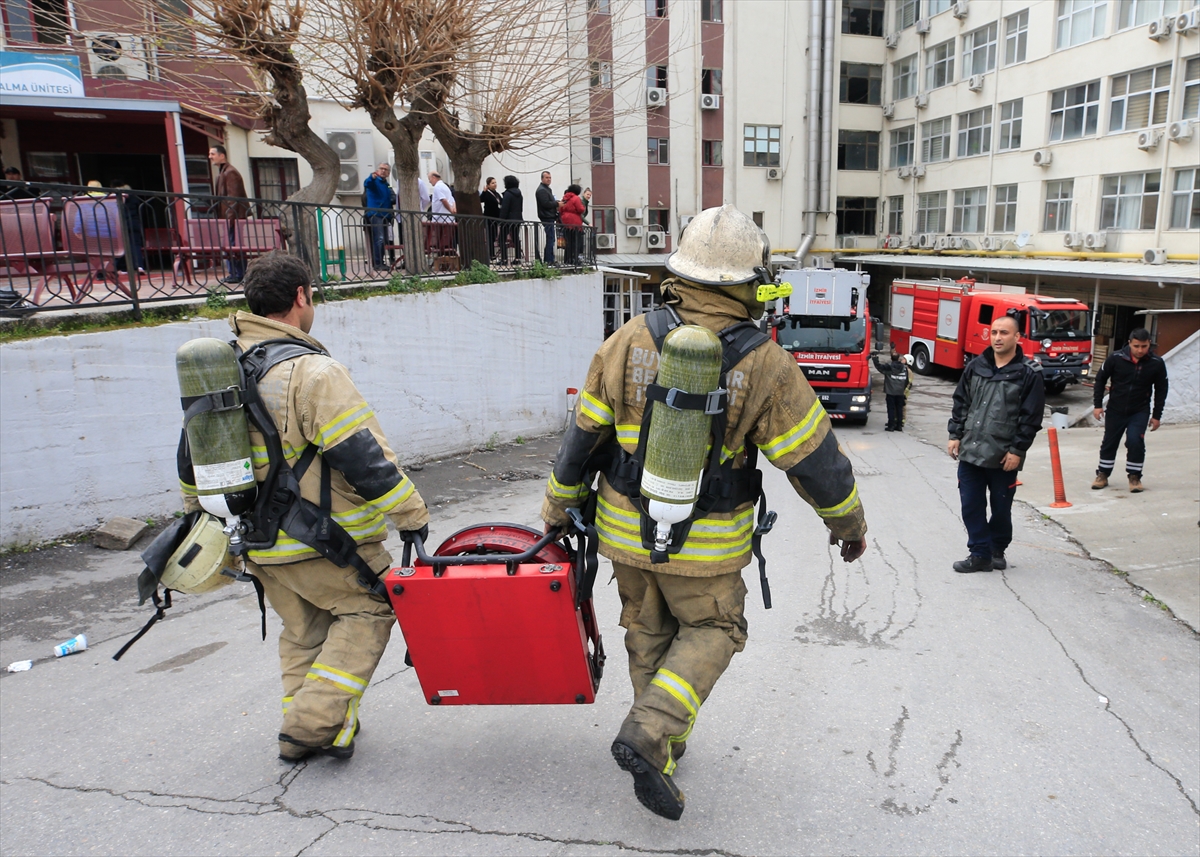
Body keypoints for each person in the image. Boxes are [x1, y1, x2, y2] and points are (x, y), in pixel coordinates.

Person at [540, 204, 867, 820]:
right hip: (708, 545)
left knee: (647, 631)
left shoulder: (629, 338)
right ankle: (651, 730)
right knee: (715, 629)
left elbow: (582, 437)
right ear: (750, 281)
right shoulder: (765, 361)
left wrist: (558, 506)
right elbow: (815, 462)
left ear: (679, 273)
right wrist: (847, 526)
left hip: (626, 532)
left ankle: (660, 746)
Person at [177, 252, 429, 761]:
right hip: (325, 541)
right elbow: (361, 454)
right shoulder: (313, 371)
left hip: (257, 539)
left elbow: (191, 461)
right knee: (371, 607)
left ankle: (319, 727)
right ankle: (311, 726)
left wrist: (206, 522)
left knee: (304, 630)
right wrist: (412, 515)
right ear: (301, 297)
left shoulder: (223, 369)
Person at [946, 313, 1044, 574]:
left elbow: (1031, 416)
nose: (998, 337)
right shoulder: (976, 367)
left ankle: (997, 550)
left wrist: (1017, 450)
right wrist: (955, 434)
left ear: (1017, 337)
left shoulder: (1028, 373)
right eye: (994, 332)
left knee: (1001, 508)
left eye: (1004, 333)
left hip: (1004, 456)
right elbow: (961, 402)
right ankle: (979, 554)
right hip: (971, 452)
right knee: (971, 505)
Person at [1091, 328, 1169, 493]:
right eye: (1136, 346)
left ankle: (1134, 477)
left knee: (1135, 441)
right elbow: (1100, 380)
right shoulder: (1115, 358)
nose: (1140, 350)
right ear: (1129, 343)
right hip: (1115, 409)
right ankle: (1103, 475)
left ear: (1149, 344)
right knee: (1109, 443)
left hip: (1139, 411)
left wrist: (1156, 416)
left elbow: (1162, 390)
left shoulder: (1156, 363)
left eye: (1144, 346)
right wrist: (1097, 405)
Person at [209, 144, 249, 285]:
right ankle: (236, 273)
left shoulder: (230, 172)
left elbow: (233, 198)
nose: (210, 157)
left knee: (234, 245)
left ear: (222, 155)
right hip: (229, 217)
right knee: (231, 245)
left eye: (213, 154)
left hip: (234, 218)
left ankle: (238, 274)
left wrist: (230, 219)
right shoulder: (223, 172)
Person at [363, 162, 396, 272]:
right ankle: (377, 263)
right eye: (381, 168)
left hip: (385, 216)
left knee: (384, 240)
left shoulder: (387, 184)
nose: (383, 171)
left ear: (388, 173)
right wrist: (371, 177)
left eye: (385, 169)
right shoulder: (374, 181)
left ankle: (381, 262)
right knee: (379, 239)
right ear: (377, 170)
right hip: (375, 214)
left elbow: (392, 197)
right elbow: (367, 183)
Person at [873, 348, 910, 432]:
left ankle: (891, 426)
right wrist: (902, 389)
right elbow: (906, 380)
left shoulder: (889, 367)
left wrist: (875, 358)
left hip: (891, 392)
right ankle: (899, 426)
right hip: (900, 392)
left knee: (891, 409)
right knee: (899, 409)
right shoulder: (904, 368)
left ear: (891, 359)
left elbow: (879, 367)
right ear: (899, 358)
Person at [427, 171, 456, 254]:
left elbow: (443, 200)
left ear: (434, 177)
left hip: (440, 220)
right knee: (446, 242)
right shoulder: (445, 187)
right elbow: (452, 200)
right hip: (449, 219)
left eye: (429, 179)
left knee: (439, 241)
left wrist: (450, 210)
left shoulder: (438, 187)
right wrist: (453, 210)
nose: (429, 181)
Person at [498, 175, 524, 264]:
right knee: (516, 238)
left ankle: (504, 259)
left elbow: (505, 208)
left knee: (502, 238)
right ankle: (517, 258)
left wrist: (500, 220)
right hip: (517, 218)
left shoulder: (508, 194)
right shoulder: (519, 194)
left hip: (508, 220)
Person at [559, 183, 585, 266]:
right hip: (574, 222)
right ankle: (574, 259)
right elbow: (580, 209)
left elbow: (560, 209)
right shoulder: (576, 198)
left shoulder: (564, 198)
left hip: (565, 222)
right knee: (575, 242)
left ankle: (567, 259)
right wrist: (583, 207)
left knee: (568, 242)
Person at [535, 170, 557, 265]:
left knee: (551, 238)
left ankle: (550, 259)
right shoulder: (541, 190)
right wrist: (556, 204)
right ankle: (548, 260)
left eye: (550, 177)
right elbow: (545, 203)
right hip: (546, 217)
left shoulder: (547, 189)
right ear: (542, 178)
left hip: (549, 216)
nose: (549, 179)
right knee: (550, 238)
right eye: (547, 178)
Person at [480, 176, 502, 260]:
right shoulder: (487, 193)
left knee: (494, 235)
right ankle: (491, 254)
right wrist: (484, 192)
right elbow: (481, 199)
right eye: (492, 183)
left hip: (496, 218)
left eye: (495, 182)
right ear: (488, 185)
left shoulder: (497, 194)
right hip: (489, 218)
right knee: (490, 236)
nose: (495, 184)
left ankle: (492, 254)